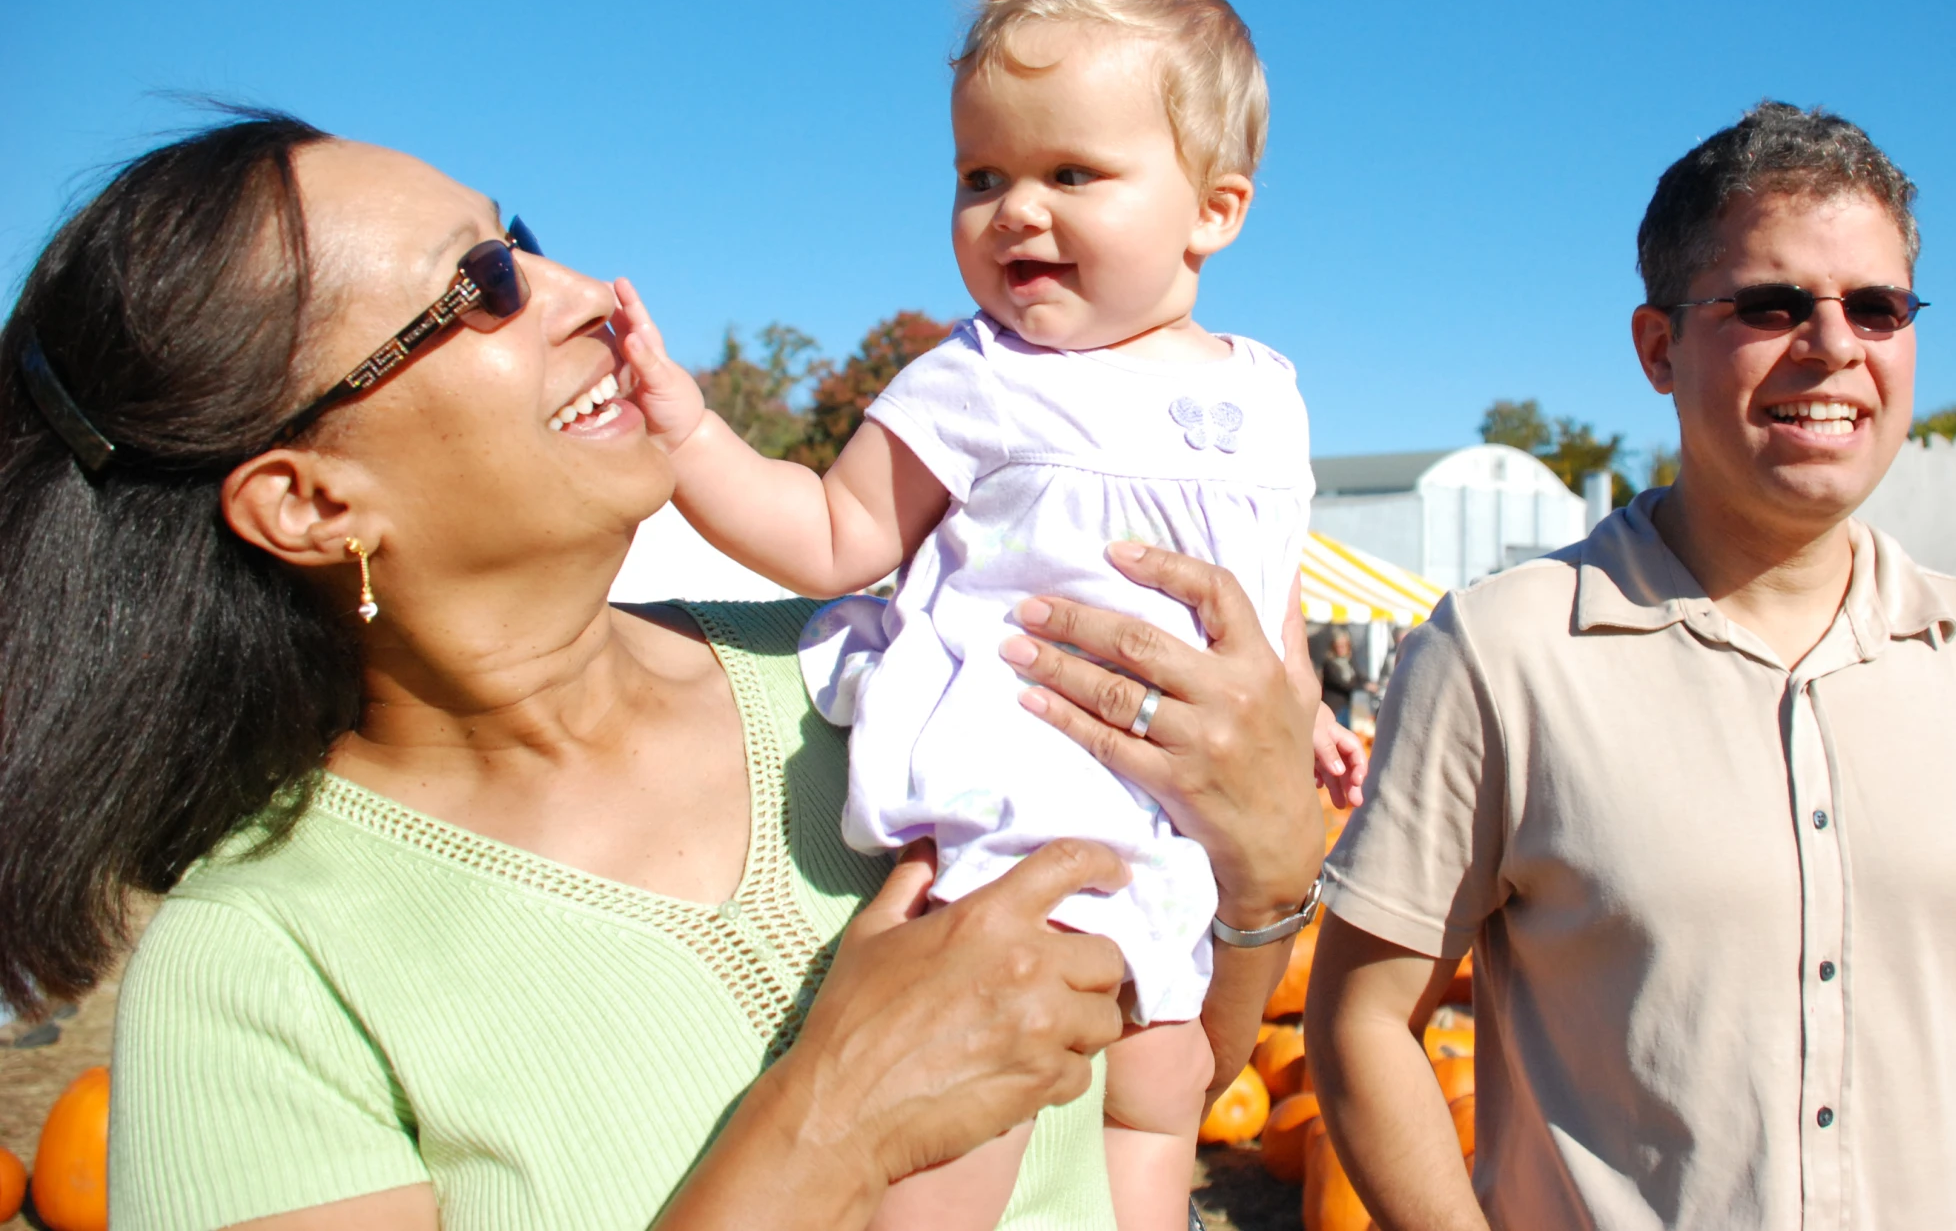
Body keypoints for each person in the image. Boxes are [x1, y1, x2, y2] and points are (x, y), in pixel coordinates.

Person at [0, 114, 1333, 1231]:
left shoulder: (884, 688)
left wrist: (1266, 879)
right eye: (479, 287)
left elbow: (1161, 1066)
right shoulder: (259, 970)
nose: (579, 287)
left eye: (518, 237)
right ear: (309, 501)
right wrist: (821, 1127)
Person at [619, 0, 1365, 1231]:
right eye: (981, 178)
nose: (1014, 210)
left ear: (1213, 209)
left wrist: (1303, 713)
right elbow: (832, 531)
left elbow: (1261, 590)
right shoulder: (979, 378)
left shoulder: (1268, 393)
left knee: (1160, 1090)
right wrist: (688, 437)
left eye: (1071, 174)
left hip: (1185, 827)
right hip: (1023, 806)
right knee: (971, 1091)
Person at [1306, 101, 1956, 1230]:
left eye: (1875, 307)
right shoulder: (1504, 650)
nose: (1832, 344)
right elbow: (1359, 1020)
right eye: (1771, 304)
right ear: (1657, 347)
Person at [1316, 626, 1367, 729]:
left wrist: (1367, 682)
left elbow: (1359, 676)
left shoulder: (1349, 662)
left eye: (1344, 646)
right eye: (1338, 646)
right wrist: (1363, 686)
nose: (1341, 649)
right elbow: (1343, 684)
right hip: (1334, 707)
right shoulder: (1330, 664)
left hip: (1346, 706)